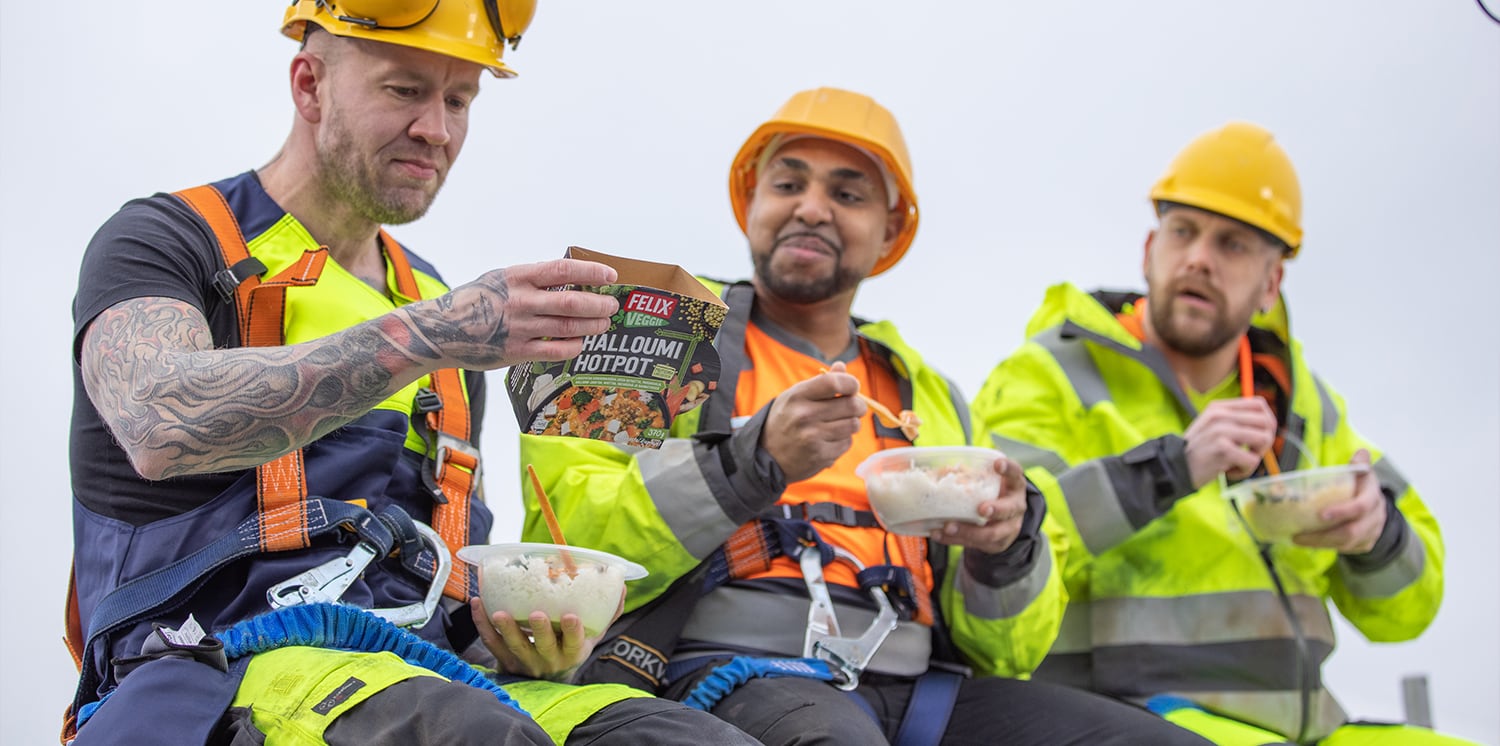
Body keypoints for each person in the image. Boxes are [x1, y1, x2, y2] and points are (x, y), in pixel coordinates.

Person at [65, 2, 761, 744]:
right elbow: (156, 423)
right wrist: (438, 333)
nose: (438, 129)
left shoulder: (446, 308)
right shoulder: (172, 239)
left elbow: (452, 574)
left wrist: (516, 632)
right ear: (309, 86)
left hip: (431, 670)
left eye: (459, 100)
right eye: (404, 90)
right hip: (217, 662)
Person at [518, 87, 1212, 745]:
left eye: (846, 194)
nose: (812, 209)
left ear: (890, 232)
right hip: (728, 669)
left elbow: (1009, 651)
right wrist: (748, 462)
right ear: (750, 203)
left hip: (921, 689)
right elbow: (563, 538)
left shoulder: (929, 393)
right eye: (788, 185)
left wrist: (1006, 552)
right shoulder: (652, 333)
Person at [971, 122, 1469, 745]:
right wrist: (1169, 469)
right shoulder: (1049, 376)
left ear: (1270, 286)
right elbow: (1001, 557)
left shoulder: (1302, 401)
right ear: (1149, 250)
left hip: (1309, 727)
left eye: (1232, 244)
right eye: (1184, 232)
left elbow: (1409, 611)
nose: (1200, 258)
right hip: (1126, 720)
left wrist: (1377, 534)